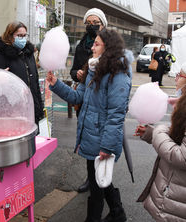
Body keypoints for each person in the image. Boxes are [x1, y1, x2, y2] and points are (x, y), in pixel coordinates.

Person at [46, 29, 131, 222]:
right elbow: (78, 96)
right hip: (91, 136)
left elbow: (116, 114)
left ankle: (93, 218)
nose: (92, 47)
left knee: (96, 183)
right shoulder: (93, 68)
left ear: (108, 48)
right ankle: (118, 213)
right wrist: (57, 84)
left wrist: (107, 146)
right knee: (99, 177)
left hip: (102, 139)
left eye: (97, 44)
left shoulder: (118, 73)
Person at [70, 8, 108, 193]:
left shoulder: (109, 46)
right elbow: (74, 70)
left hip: (100, 103)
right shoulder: (81, 46)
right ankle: (90, 178)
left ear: (103, 25)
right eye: (89, 22)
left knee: (102, 145)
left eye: (96, 23)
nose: (91, 26)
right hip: (84, 101)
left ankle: (103, 181)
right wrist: (77, 74)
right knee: (87, 142)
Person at [135, 92, 186, 221]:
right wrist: (152, 134)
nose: (176, 77)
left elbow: (181, 157)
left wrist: (158, 131)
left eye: (180, 74)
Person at [0, 21, 44, 125]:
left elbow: (35, 83)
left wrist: (39, 108)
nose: (23, 39)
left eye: (24, 36)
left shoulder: (29, 56)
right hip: (11, 114)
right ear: (9, 36)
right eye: (19, 36)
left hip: (31, 110)